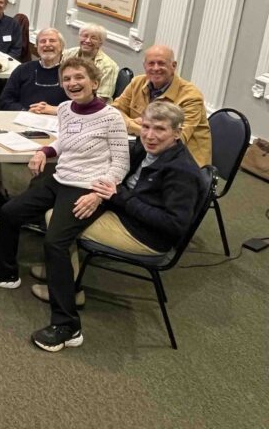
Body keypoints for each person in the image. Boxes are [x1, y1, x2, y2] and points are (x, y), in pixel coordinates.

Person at [0, 57, 129, 353]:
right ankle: (6, 272)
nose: (72, 83)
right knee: (10, 211)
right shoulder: (67, 109)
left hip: (88, 187)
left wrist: (98, 194)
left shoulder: (112, 117)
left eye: (79, 77)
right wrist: (45, 150)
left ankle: (69, 325)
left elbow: (121, 163)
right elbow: (63, 141)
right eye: (67, 79)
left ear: (95, 83)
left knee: (55, 244)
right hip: (60, 179)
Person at [29, 102, 204, 308]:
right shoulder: (147, 148)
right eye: (146, 127)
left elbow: (174, 225)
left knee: (57, 217)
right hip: (125, 209)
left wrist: (119, 197)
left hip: (145, 235)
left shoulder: (181, 172)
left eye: (160, 129)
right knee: (67, 204)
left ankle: (69, 290)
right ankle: (57, 267)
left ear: (177, 133)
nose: (149, 135)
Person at [0, 28, 68, 222]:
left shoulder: (69, 73)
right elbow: (5, 100)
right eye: (42, 41)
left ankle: (33, 201)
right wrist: (25, 111)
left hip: (56, 129)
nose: (47, 45)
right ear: (36, 47)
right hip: (21, 122)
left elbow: (78, 105)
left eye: (52, 41)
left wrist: (53, 109)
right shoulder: (24, 69)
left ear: (61, 46)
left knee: (51, 158)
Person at [111, 45, 211, 167]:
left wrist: (130, 125)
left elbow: (177, 140)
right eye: (151, 63)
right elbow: (113, 112)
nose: (156, 68)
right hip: (144, 152)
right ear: (145, 66)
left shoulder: (191, 97)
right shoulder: (137, 82)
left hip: (181, 164)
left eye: (161, 63)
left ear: (173, 66)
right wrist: (136, 125)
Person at [62, 24, 119, 102]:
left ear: (100, 43)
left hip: (92, 108)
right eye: (85, 36)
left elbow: (101, 99)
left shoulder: (108, 66)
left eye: (93, 38)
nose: (88, 40)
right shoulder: (68, 54)